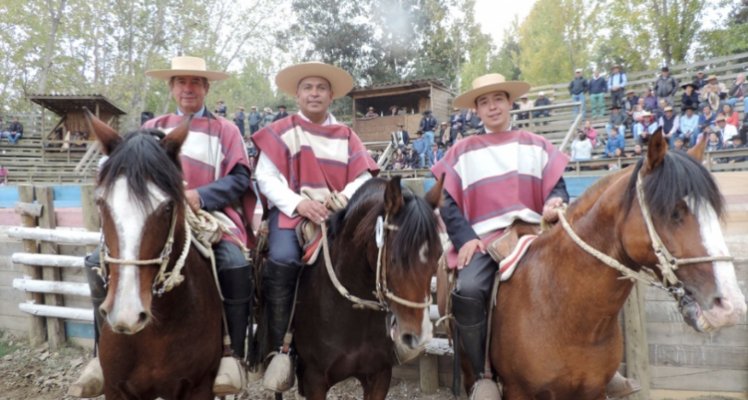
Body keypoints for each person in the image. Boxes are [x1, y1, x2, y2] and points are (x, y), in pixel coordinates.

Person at [69, 56, 256, 398]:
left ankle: (232, 353)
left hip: (210, 215)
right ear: (171, 87)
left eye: (195, 82)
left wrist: (200, 195)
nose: (188, 88)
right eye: (181, 82)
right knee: (96, 262)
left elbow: (241, 178)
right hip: (156, 215)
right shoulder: (150, 128)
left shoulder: (226, 130)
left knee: (234, 263)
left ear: (206, 88)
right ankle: (101, 353)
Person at [431, 73, 569, 398]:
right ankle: (482, 374)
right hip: (485, 240)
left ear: (510, 103)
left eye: (498, 99)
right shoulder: (462, 151)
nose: (492, 107)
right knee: (467, 289)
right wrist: (465, 239)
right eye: (484, 102)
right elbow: (447, 202)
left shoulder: (536, 145)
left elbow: (557, 186)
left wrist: (554, 202)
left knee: (582, 276)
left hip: (535, 235)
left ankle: (594, 368)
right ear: (476, 110)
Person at [252, 61, 379, 393]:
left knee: (375, 256)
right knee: (281, 259)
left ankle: (388, 339)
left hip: (338, 215)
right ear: (297, 94)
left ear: (331, 95)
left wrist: (340, 201)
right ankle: (279, 349)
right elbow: (266, 177)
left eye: (321, 88)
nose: (314, 93)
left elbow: (364, 177)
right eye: (308, 87)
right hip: (293, 213)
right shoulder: (280, 131)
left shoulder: (348, 135)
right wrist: (298, 203)